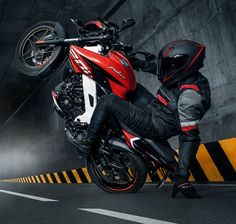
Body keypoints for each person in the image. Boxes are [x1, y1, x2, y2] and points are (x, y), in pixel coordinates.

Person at [75, 39, 211, 198]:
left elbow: (190, 138)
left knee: (107, 101)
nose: (165, 68)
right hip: (157, 107)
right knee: (128, 83)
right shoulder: (183, 73)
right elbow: (159, 68)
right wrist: (133, 62)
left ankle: (87, 142)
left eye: (169, 66)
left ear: (184, 67)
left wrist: (181, 177)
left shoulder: (190, 99)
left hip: (156, 125)